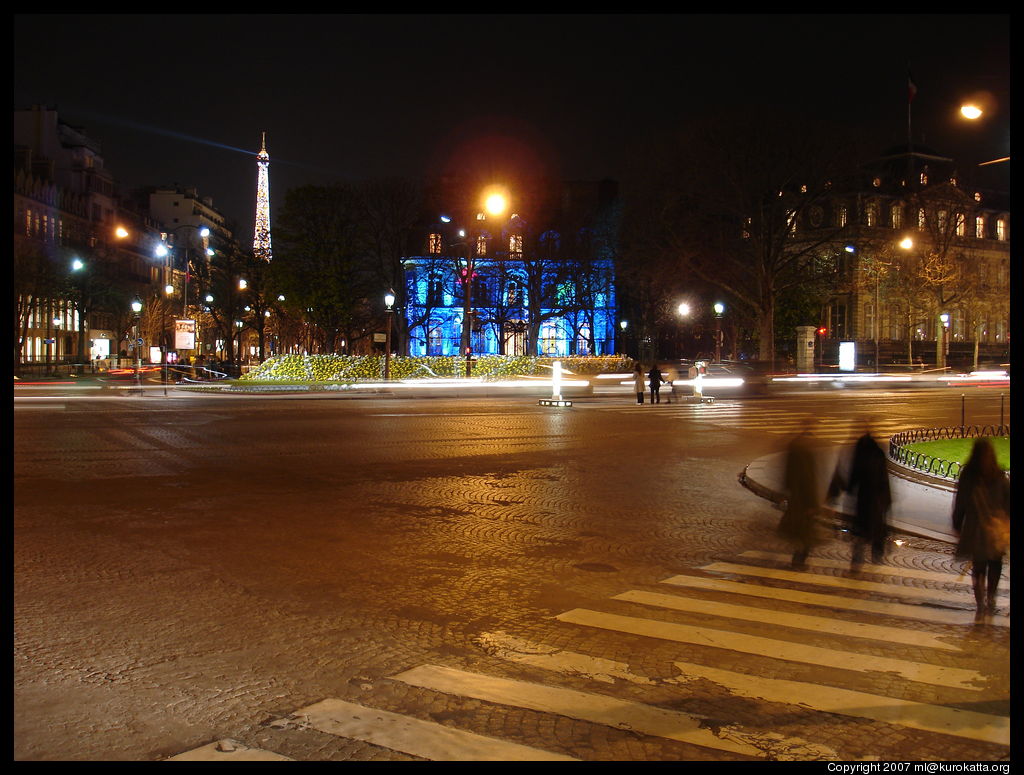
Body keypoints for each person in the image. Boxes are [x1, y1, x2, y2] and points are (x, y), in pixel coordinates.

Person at [951, 438, 1010, 620]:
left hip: (975, 528)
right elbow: (1008, 501)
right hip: (995, 530)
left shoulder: (968, 475)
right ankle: (991, 597)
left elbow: (960, 502)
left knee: (979, 566)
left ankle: (980, 602)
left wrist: (957, 523)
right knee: (994, 564)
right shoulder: (999, 475)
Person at [839, 423, 893, 570]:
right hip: (875, 499)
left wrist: (848, 489)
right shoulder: (877, 452)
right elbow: (884, 479)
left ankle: (857, 561)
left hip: (863, 498)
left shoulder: (860, 452)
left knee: (861, 530)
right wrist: (887, 500)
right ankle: (876, 555)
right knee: (876, 527)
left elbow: (854, 476)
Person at [777, 419, 824, 569]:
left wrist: (785, 492)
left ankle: (797, 559)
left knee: (799, 529)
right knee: (805, 533)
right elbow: (808, 479)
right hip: (803, 499)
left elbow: (788, 474)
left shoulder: (794, 446)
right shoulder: (804, 450)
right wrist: (813, 503)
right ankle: (798, 561)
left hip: (795, 496)